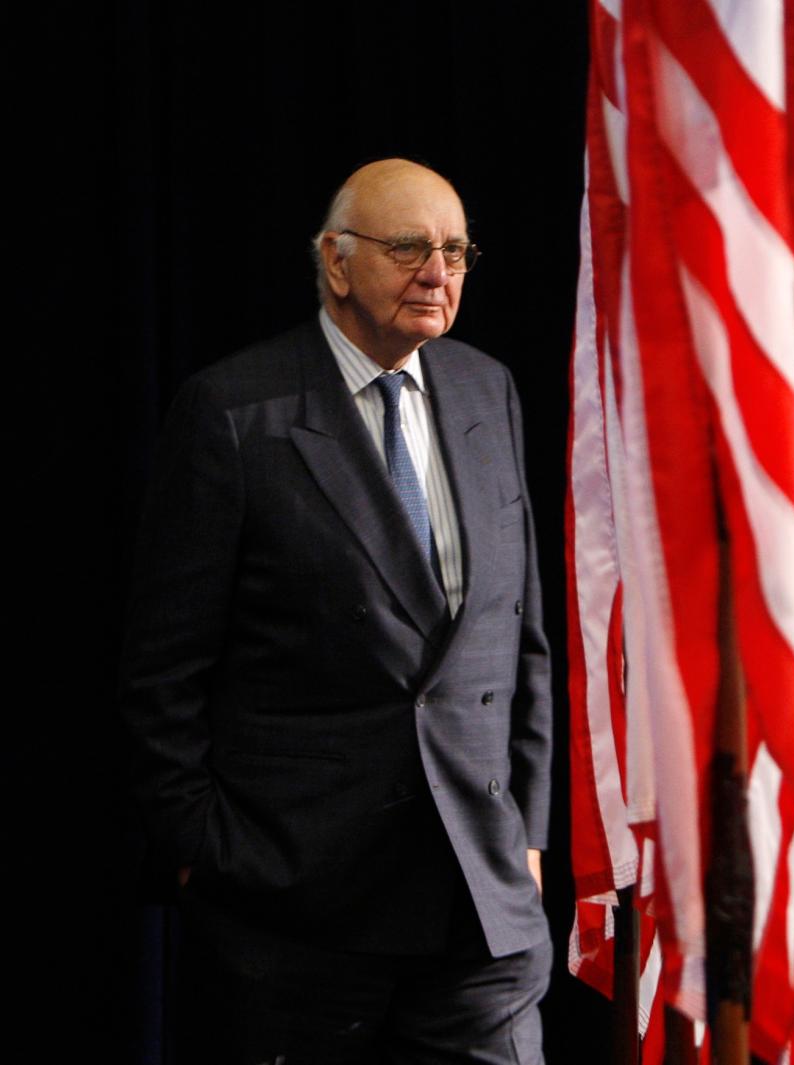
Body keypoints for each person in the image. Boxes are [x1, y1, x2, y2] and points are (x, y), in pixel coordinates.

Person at [120, 158, 553, 1063]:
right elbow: (164, 670)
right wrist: (207, 850)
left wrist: (528, 833)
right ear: (336, 261)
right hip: (293, 913)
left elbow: (523, 644)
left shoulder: (488, 390)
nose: (438, 271)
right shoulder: (236, 413)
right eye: (408, 247)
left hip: (479, 905)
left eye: (455, 250)